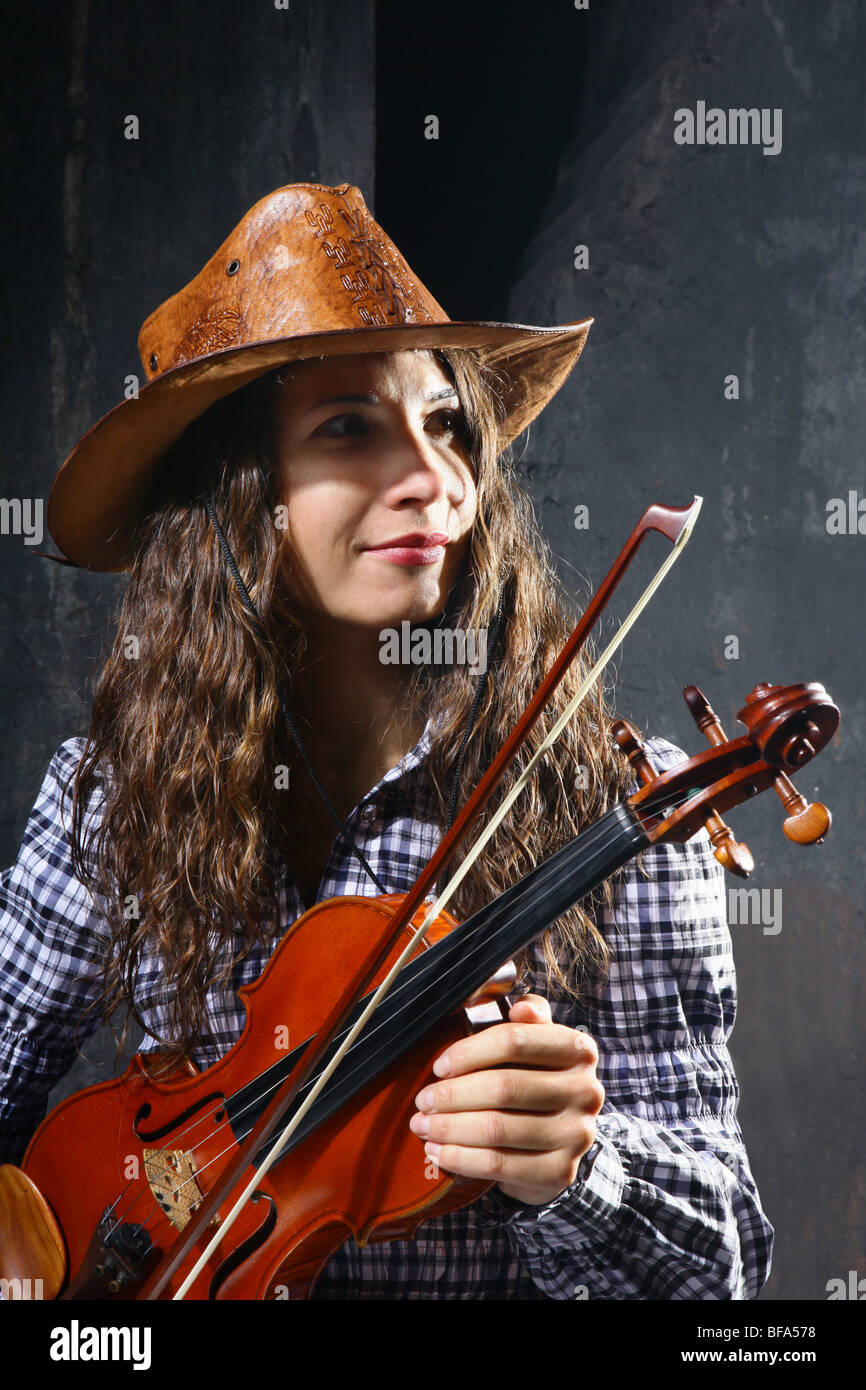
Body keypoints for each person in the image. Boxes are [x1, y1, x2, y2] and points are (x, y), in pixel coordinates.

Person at [0, 182, 773, 1299]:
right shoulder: (118, 793)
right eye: (348, 427)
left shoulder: (616, 804)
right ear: (234, 496)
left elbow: (725, 1275)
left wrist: (576, 1171)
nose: (433, 479)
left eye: (446, 424)